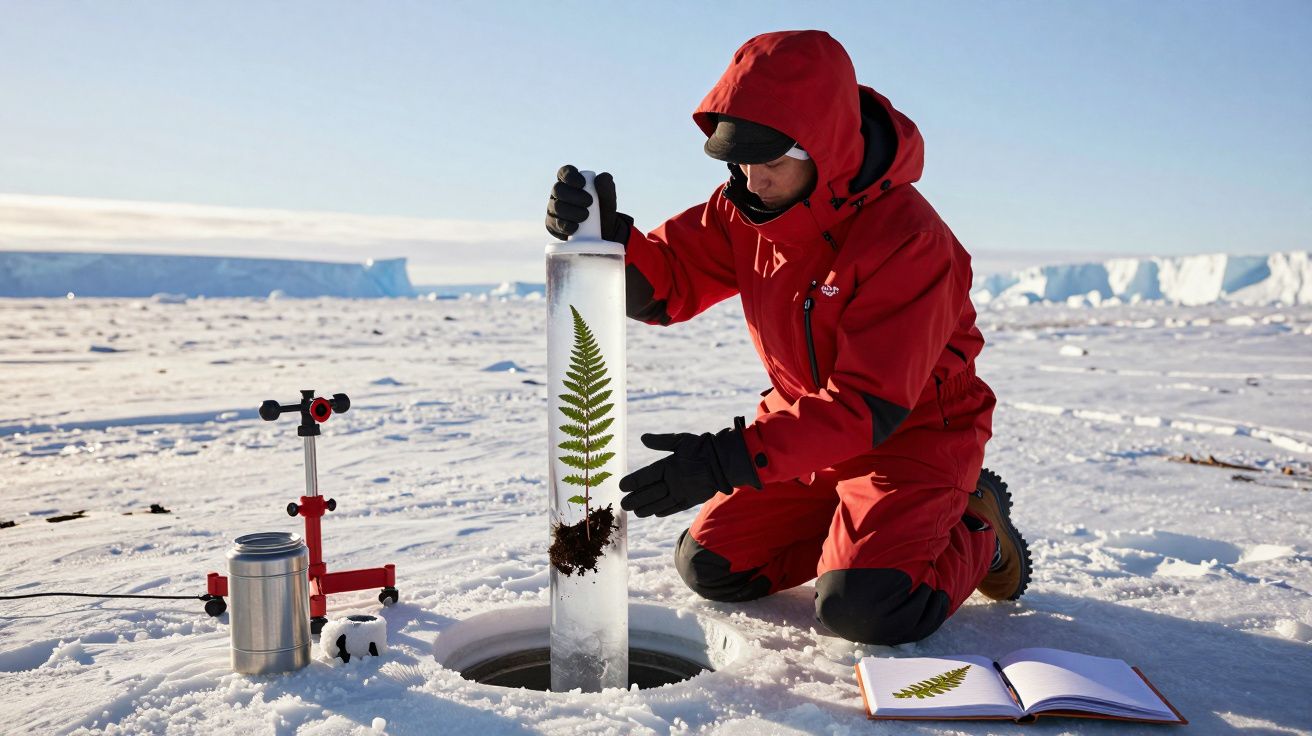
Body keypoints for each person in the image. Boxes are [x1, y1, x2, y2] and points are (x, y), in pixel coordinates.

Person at [545, 30, 1031, 646]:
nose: (754, 177)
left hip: (913, 438)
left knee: (867, 609)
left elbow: (865, 405)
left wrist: (727, 460)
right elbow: (670, 282)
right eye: (740, 158)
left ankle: (974, 529)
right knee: (710, 565)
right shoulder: (745, 207)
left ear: (825, 148)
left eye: (771, 159)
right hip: (805, 431)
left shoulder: (909, 241)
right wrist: (609, 242)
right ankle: (857, 526)